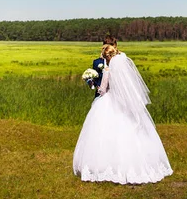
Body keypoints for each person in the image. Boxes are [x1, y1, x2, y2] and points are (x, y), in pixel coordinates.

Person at [73, 45, 173, 184]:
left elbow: (102, 90)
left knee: (103, 133)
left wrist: (92, 82)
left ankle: (106, 166)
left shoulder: (108, 70)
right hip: (124, 103)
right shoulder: (124, 68)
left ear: (108, 58)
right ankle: (140, 165)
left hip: (109, 101)